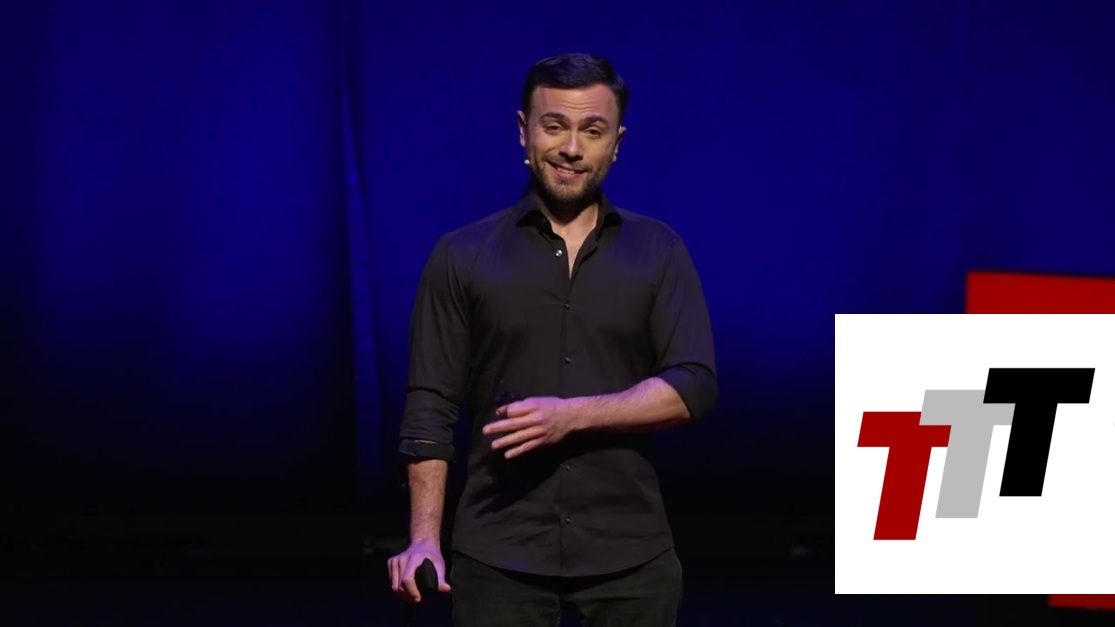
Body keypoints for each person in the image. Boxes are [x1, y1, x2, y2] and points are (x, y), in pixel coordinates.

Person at [386, 52, 718, 627]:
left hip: (629, 555)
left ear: (616, 142)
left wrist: (574, 416)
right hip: (498, 555)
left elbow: (695, 386)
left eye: (592, 130)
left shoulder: (658, 250)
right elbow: (430, 405)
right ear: (524, 131)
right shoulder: (462, 255)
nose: (571, 147)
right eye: (554, 126)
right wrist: (423, 539)